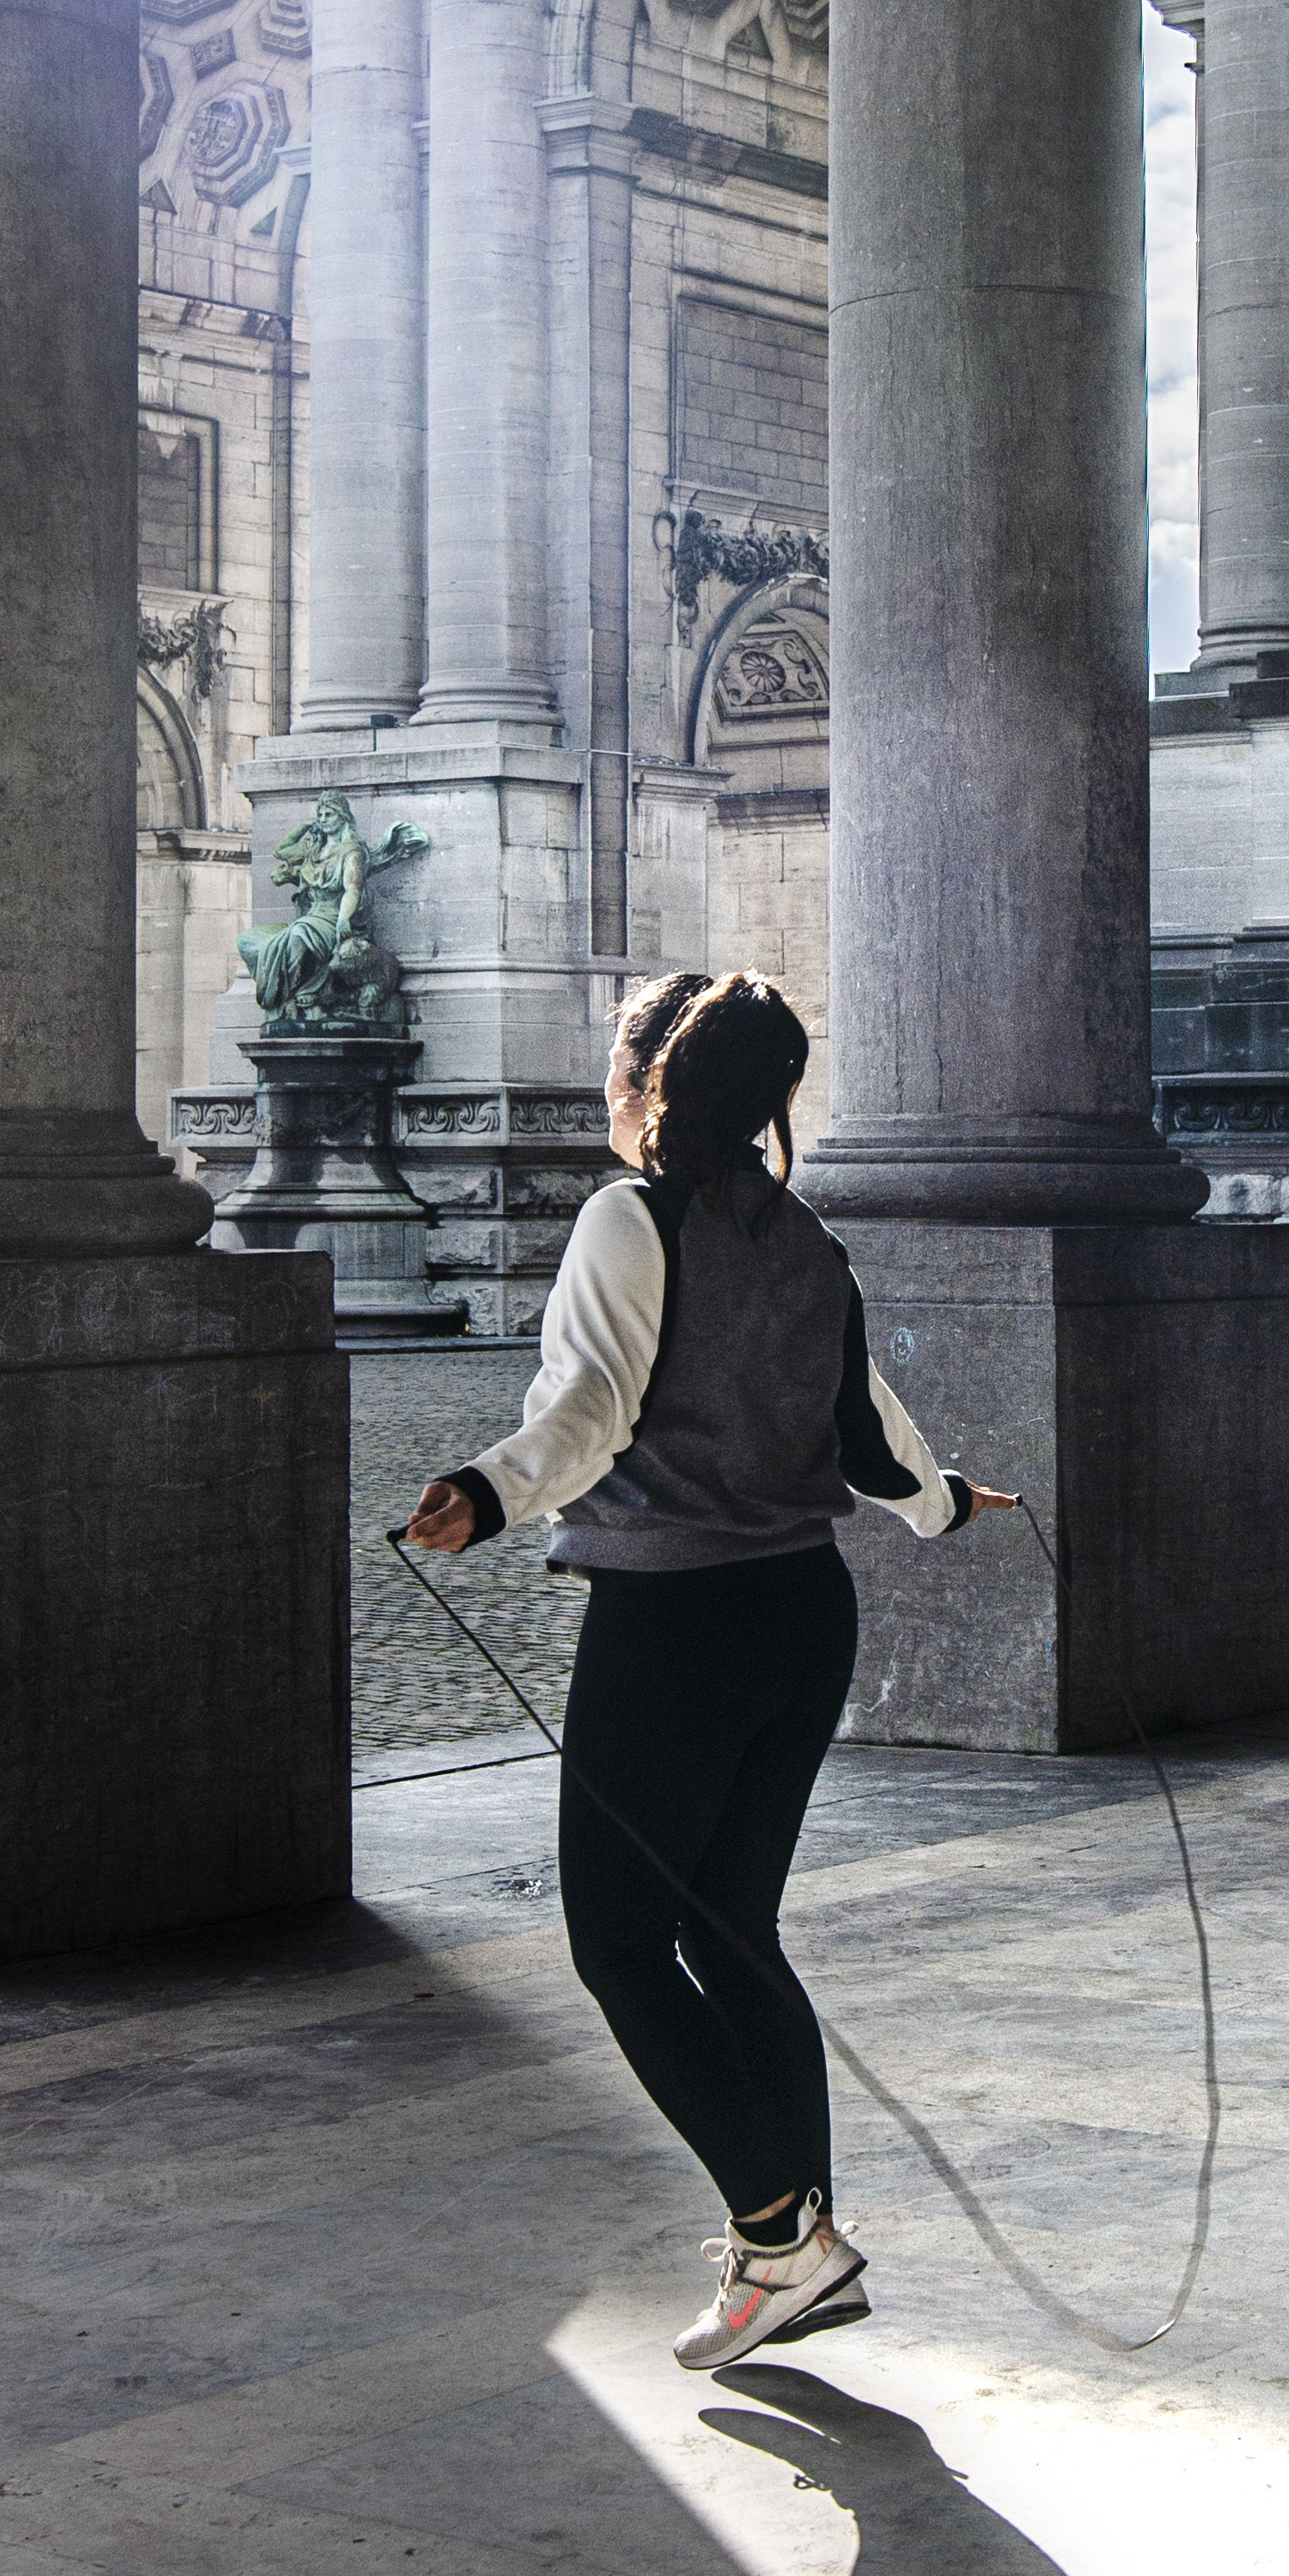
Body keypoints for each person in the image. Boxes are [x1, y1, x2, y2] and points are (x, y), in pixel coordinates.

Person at [404, 970, 1013, 2365]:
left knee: (621, 1945)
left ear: (645, 1081)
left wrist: (486, 1493)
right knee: (731, 1931)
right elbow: (868, 1437)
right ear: (773, 1100)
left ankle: (779, 2234)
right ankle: (796, 2251)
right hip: (803, 1617)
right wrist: (946, 1502)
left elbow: (589, 1413)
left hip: (676, 1627)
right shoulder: (807, 1239)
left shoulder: (631, 1219)